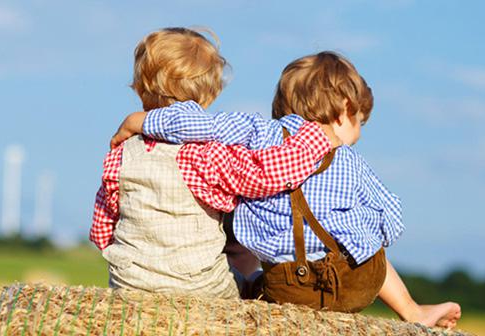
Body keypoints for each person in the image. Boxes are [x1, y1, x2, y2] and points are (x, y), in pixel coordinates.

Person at [112, 51, 462, 328]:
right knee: (370, 242)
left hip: (286, 289)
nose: (359, 135)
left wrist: (140, 120)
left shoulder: (257, 134)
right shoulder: (351, 161)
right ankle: (412, 311)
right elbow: (392, 219)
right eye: (361, 124)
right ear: (345, 112)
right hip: (355, 284)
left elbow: (198, 123)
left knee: (252, 268)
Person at [90, 27, 339, 299]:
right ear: (211, 94)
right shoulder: (206, 152)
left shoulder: (122, 152)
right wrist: (315, 140)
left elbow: (103, 224)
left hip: (129, 281)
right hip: (197, 283)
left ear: (138, 88)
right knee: (253, 285)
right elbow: (263, 176)